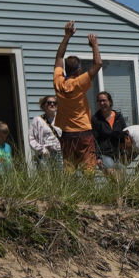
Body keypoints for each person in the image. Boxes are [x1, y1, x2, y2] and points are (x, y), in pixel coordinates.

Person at [53, 21, 102, 172]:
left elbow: (59, 56)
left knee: (69, 170)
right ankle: (88, 194)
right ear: (79, 70)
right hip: (83, 132)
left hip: (67, 134)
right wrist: (94, 45)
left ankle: (69, 195)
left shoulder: (59, 81)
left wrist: (67, 36)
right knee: (88, 170)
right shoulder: (79, 83)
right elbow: (98, 64)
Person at [91, 91, 127, 173]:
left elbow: (125, 134)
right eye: (100, 101)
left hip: (118, 154)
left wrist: (125, 151)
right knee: (112, 173)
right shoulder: (95, 119)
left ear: (110, 102)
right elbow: (94, 140)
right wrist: (97, 157)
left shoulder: (118, 117)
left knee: (122, 176)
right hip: (104, 154)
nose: (102, 103)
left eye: (104, 100)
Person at [29, 95, 62, 169]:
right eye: (49, 102)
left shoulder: (61, 119)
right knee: (46, 179)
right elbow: (31, 138)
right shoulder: (38, 120)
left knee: (61, 179)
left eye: (54, 103)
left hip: (60, 154)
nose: (52, 104)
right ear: (43, 106)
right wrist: (42, 150)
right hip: (46, 155)